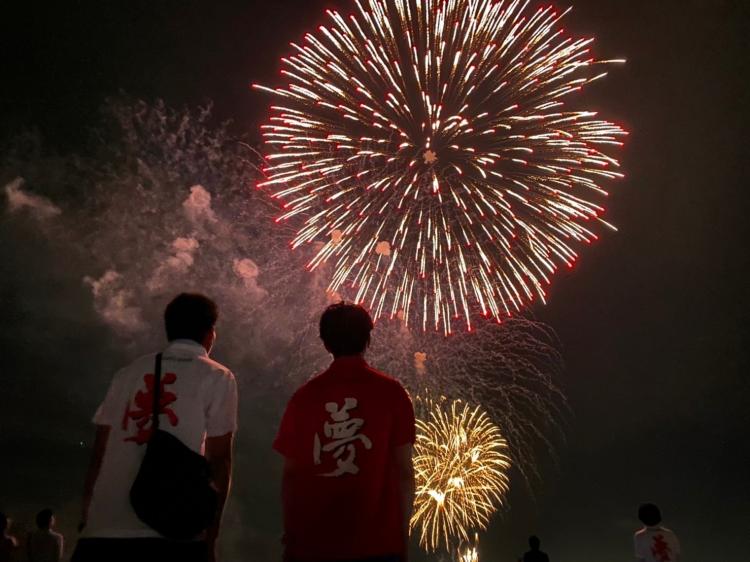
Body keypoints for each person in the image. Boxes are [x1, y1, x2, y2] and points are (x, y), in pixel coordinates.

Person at [72, 293, 238, 562]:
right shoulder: (218, 376)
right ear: (210, 333)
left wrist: (87, 516)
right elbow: (220, 461)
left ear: (169, 329)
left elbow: (99, 453)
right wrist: (210, 536)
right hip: (171, 532)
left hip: (102, 533)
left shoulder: (127, 374)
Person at [274, 302, 416, 562]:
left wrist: (291, 531)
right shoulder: (393, 394)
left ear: (326, 343)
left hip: (312, 545)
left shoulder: (304, 397)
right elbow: (405, 473)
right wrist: (401, 538)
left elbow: (291, 476)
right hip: (378, 545)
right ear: (368, 339)